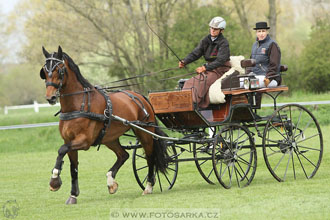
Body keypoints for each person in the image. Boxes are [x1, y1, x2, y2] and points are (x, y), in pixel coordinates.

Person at [179, 16, 231, 108]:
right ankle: (184, 103)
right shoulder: (206, 40)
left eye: (215, 29)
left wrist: (205, 68)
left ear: (221, 30)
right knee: (189, 83)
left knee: (201, 82)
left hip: (220, 69)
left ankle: (195, 105)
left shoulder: (224, 43)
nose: (212, 30)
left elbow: (220, 60)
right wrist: (185, 61)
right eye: (211, 28)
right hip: (210, 69)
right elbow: (196, 53)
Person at [250, 21, 281, 87]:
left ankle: (254, 97)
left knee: (251, 85)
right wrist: (247, 75)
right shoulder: (254, 45)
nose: (261, 34)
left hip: (270, 79)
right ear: (256, 33)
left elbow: (274, 65)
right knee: (240, 83)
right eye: (259, 31)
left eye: (263, 31)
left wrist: (268, 77)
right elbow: (250, 64)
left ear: (267, 32)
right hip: (255, 76)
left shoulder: (272, 45)